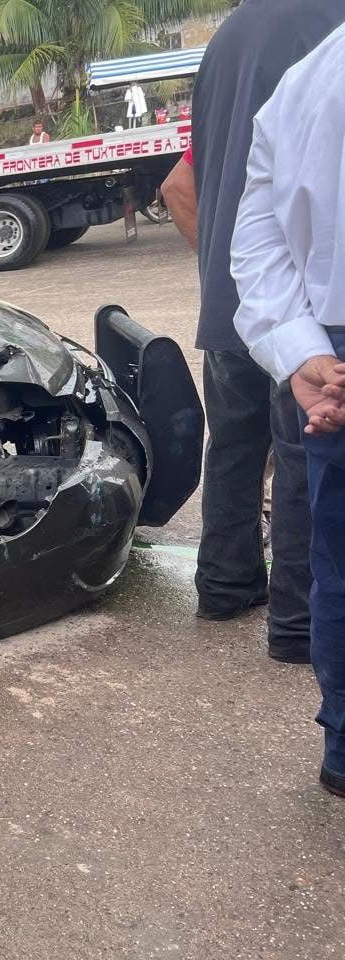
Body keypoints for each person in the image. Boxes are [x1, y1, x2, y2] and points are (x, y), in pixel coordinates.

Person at [157, 0, 345, 665]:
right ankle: (296, 625)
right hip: (300, 307)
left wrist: (223, 272)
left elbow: (178, 185)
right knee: (301, 461)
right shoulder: (328, 27)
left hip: (237, 298)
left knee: (234, 449)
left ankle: (224, 587)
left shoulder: (227, 37)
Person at [231, 19, 345, 798]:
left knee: (337, 564)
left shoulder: (302, 82)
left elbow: (259, 240)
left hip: (328, 352)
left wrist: (303, 350)